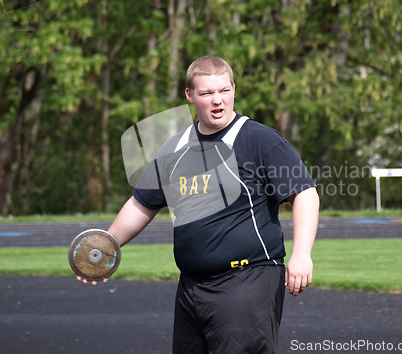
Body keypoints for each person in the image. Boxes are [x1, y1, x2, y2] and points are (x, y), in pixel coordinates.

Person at [79, 56, 319, 353]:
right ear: (190, 96)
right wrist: (105, 248)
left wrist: (302, 255)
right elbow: (141, 204)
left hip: (248, 280)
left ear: (233, 90)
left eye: (224, 91)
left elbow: (305, 193)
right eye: (207, 93)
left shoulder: (257, 139)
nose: (218, 100)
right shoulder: (176, 148)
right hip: (192, 288)